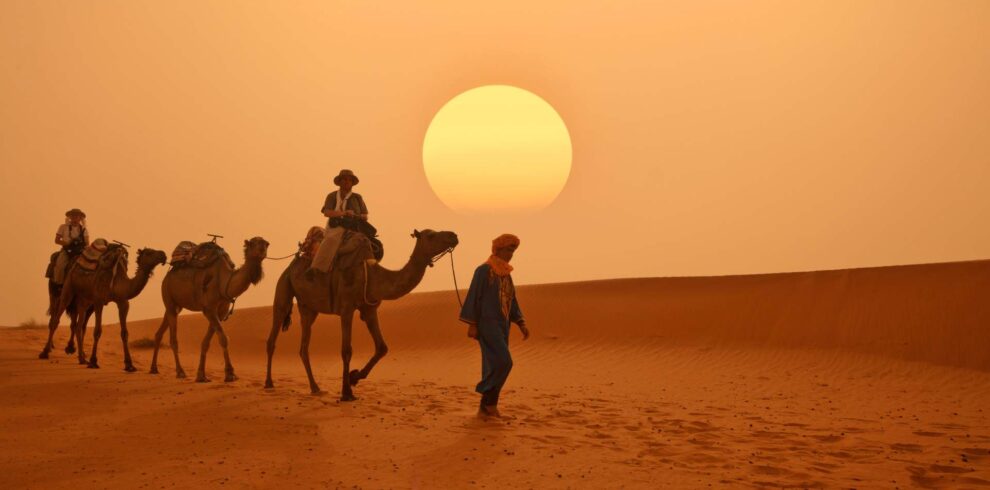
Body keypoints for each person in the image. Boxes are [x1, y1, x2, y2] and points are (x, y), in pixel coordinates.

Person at [459, 233, 530, 418]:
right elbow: (474, 296)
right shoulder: (483, 271)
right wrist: (472, 324)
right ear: (497, 249)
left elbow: (511, 298)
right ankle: (485, 395)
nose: (511, 254)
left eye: (513, 250)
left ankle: (488, 406)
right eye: (508, 249)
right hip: (487, 324)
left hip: (502, 325)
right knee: (504, 362)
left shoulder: (505, 274)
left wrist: (520, 322)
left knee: (494, 364)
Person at [308, 169, 369, 276]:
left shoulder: (357, 198)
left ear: (352, 183)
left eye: (349, 180)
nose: (347, 182)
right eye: (344, 179)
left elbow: (365, 215)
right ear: (340, 182)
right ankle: (317, 268)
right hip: (336, 226)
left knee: (370, 243)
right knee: (330, 239)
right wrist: (344, 213)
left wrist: (356, 215)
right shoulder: (332, 196)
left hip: (354, 228)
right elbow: (327, 212)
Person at [53, 208, 90, 285]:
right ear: (70, 217)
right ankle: (59, 284)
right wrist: (67, 243)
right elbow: (56, 240)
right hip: (67, 251)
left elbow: (87, 243)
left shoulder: (83, 229)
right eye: (73, 216)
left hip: (80, 252)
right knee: (60, 266)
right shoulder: (63, 227)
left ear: (80, 218)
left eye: (77, 216)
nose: (75, 218)